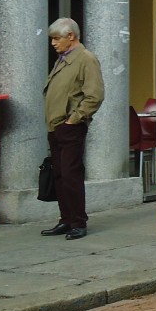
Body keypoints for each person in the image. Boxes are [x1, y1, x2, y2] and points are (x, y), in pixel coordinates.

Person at [42, 17, 104, 241]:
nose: (53, 43)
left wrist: (74, 119)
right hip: (56, 126)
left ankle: (78, 222)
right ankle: (66, 219)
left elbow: (94, 95)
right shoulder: (63, 58)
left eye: (56, 38)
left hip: (70, 127)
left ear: (71, 36)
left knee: (70, 175)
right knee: (59, 175)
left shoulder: (85, 59)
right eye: (52, 39)